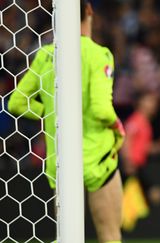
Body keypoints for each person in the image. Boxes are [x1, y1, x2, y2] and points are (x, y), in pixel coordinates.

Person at [8, 1, 124, 242]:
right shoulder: (98, 54)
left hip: (60, 160)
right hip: (97, 158)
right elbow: (101, 109)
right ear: (89, 11)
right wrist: (116, 125)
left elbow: (16, 103)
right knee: (110, 235)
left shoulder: (46, 55)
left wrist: (51, 111)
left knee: (66, 236)